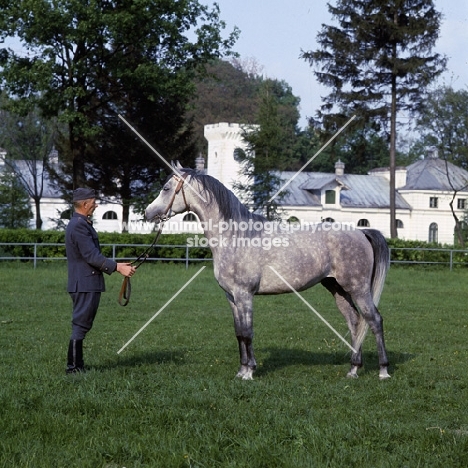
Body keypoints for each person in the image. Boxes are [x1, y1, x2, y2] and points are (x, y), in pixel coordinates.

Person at [65, 187, 136, 374]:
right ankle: (73, 368)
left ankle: (76, 366)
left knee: (82, 324)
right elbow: (91, 256)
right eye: (94, 202)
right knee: (81, 325)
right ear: (85, 203)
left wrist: (118, 263)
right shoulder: (79, 225)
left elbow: (90, 255)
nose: (96, 205)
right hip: (85, 283)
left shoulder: (80, 223)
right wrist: (118, 268)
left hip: (85, 282)